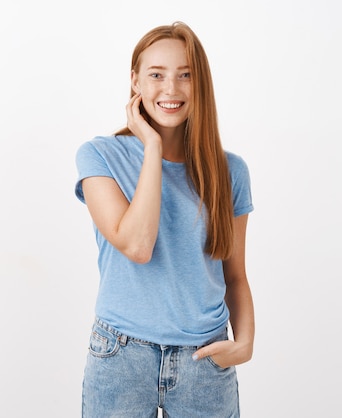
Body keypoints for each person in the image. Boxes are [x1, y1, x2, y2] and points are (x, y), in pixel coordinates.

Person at [74, 21, 254, 417]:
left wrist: (245, 343)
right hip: (121, 356)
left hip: (204, 361)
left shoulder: (230, 172)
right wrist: (152, 145)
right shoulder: (99, 157)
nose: (171, 89)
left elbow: (235, 275)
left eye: (185, 75)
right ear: (135, 81)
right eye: (157, 75)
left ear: (200, 84)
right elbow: (137, 245)